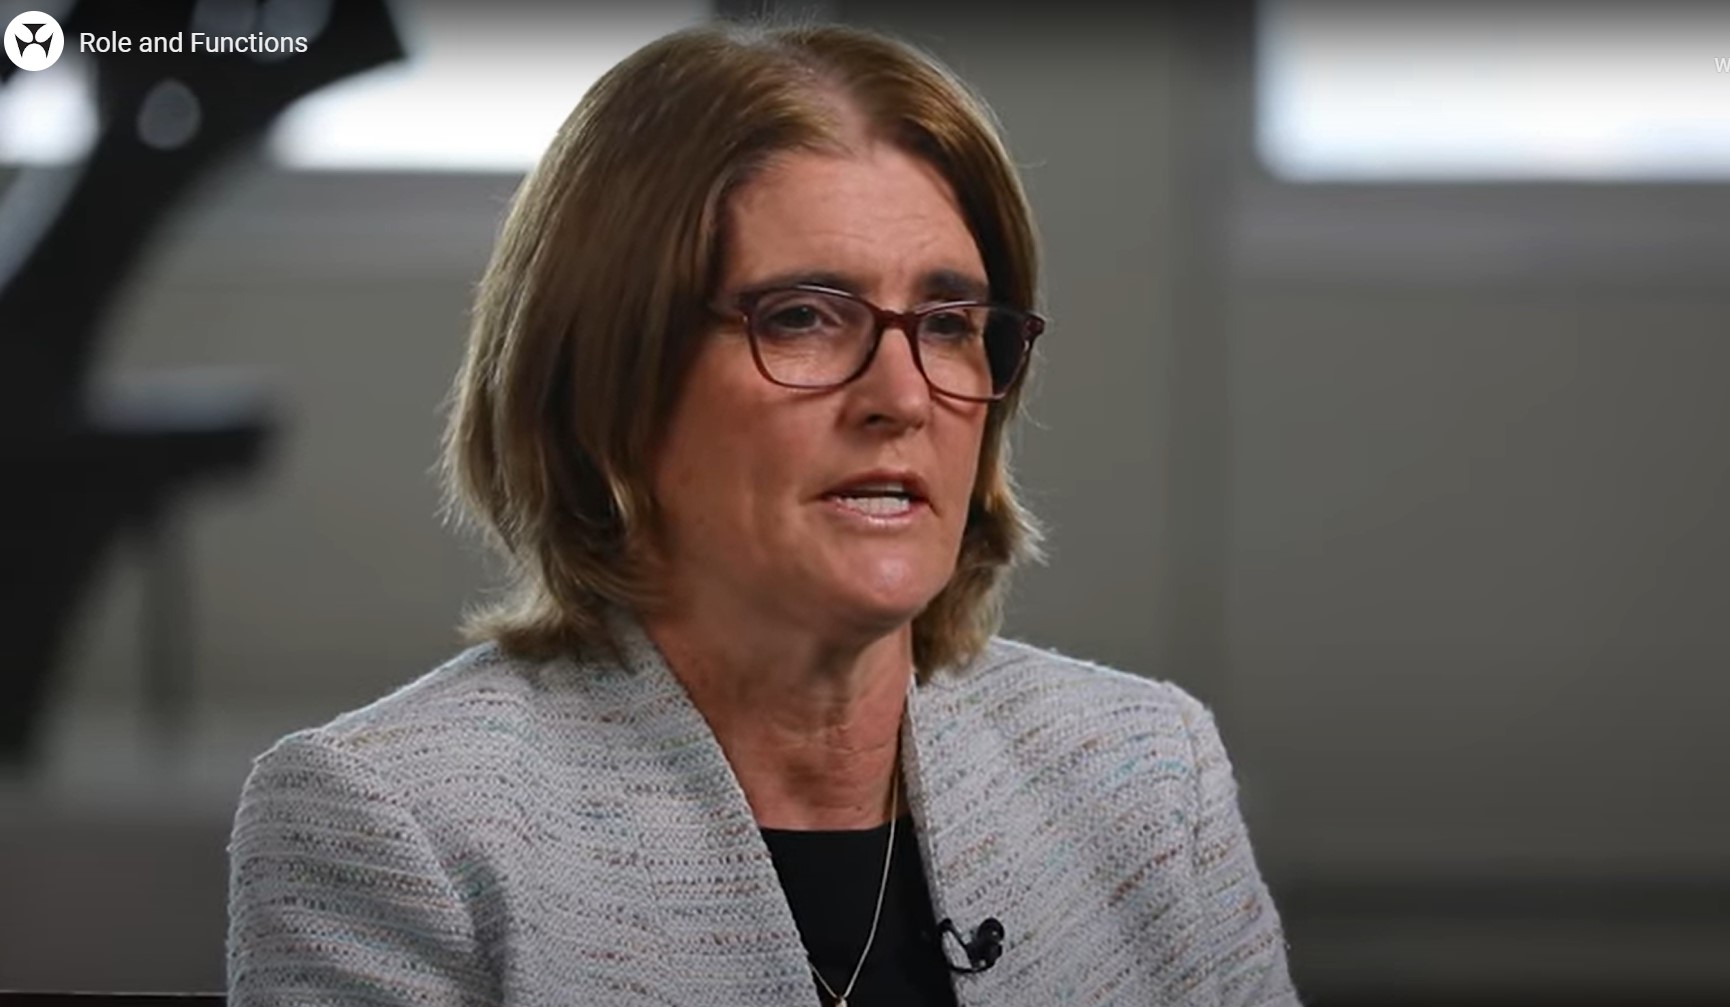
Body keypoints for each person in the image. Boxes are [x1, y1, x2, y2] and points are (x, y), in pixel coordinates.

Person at [225, 18, 1300, 1007]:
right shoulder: (397, 825)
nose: (901, 397)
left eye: (949, 323)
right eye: (802, 316)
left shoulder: (1144, 773)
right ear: (611, 381)